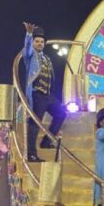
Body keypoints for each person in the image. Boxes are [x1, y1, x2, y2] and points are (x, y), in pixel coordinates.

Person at [22, 22, 66, 162]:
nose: (39, 44)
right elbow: (27, 49)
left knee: (61, 113)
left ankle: (46, 141)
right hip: (37, 94)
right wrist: (29, 35)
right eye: (37, 41)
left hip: (48, 96)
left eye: (41, 41)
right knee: (35, 122)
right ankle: (31, 153)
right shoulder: (30, 57)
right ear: (33, 42)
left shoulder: (47, 58)